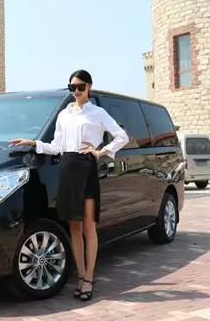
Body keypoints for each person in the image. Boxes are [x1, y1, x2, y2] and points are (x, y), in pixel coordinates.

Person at [9, 70, 129, 301]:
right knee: (74, 226)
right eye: (72, 87)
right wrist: (33, 143)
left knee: (88, 227)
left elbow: (121, 136)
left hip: (86, 167)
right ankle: (81, 275)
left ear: (89, 87)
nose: (76, 91)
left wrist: (100, 152)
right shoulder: (64, 114)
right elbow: (56, 146)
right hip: (67, 168)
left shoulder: (98, 113)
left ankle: (89, 278)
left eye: (80, 86)